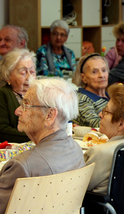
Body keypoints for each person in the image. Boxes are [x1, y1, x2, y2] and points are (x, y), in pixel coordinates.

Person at [0, 79, 85, 213]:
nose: (17, 111)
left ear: (50, 115)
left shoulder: (22, 165)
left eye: (25, 104)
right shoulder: (76, 150)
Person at [0, 49, 35, 143]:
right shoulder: (2, 94)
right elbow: (2, 131)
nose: (29, 77)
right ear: (7, 76)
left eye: (32, 72)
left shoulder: (40, 95)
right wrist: (35, 136)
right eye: (23, 73)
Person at [72, 53, 109, 127]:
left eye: (104, 70)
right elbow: (98, 126)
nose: (101, 75)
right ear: (83, 78)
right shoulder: (82, 99)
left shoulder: (109, 95)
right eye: (94, 72)